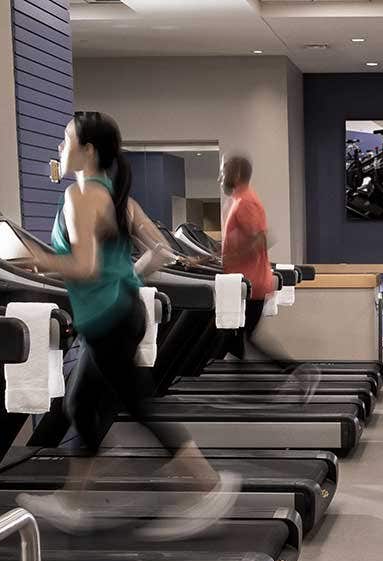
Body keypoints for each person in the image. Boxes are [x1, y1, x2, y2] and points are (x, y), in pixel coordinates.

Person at [17, 111, 235, 537]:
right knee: (82, 404)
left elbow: (84, 266)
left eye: (66, 139)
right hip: (123, 310)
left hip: (108, 317)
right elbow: (161, 251)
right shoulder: (118, 197)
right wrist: (127, 276)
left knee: (136, 405)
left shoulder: (81, 196)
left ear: (87, 150)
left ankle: (208, 485)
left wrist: (40, 260)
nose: (60, 147)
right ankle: (74, 501)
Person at [220, 154, 319, 398]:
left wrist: (232, 257)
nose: (220, 177)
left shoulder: (245, 202)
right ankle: (245, 390)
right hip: (242, 284)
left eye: (224, 171)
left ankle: (296, 372)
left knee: (242, 338)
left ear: (237, 173)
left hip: (250, 284)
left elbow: (261, 239)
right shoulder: (239, 200)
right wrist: (215, 256)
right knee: (235, 339)